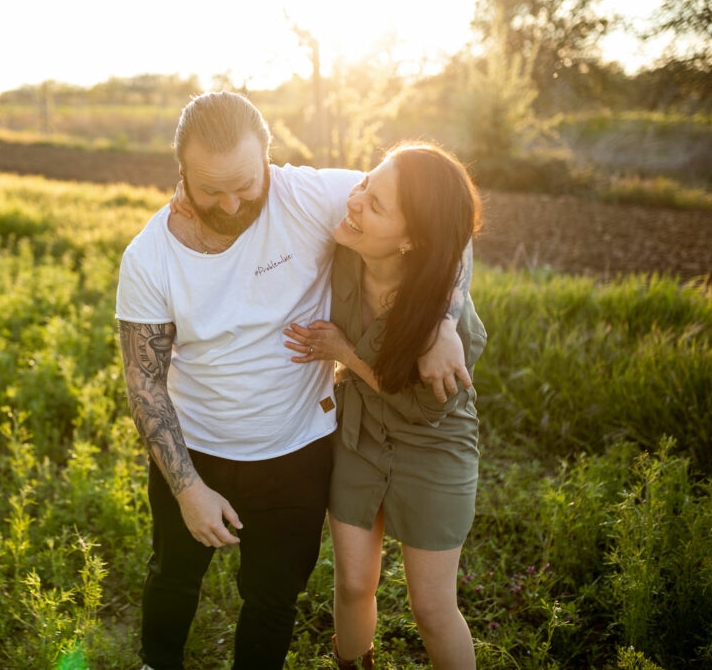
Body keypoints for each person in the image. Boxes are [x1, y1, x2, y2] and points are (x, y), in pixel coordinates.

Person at [115, 92, 472, 670]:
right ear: (180, 171)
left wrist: (444, 319)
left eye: (245, 184)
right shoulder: (148, 258)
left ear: (268, 160)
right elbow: (145, 383)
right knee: (173, 580)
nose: (231, 203)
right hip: (197, 452)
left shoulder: (311, 197)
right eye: (210, 189)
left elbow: (443, 213)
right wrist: (187, 489)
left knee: (274, 599)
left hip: (301, 453)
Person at [282, 142, 485, 669]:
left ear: (412, 240)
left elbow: (424, 409)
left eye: (375, 206)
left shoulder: (441, 318)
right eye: (363, 186)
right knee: (352, 583)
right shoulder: (346, 244)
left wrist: (344, 353)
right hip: (360, 433)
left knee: (432, 609)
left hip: (433, 446)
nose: (355, 203)